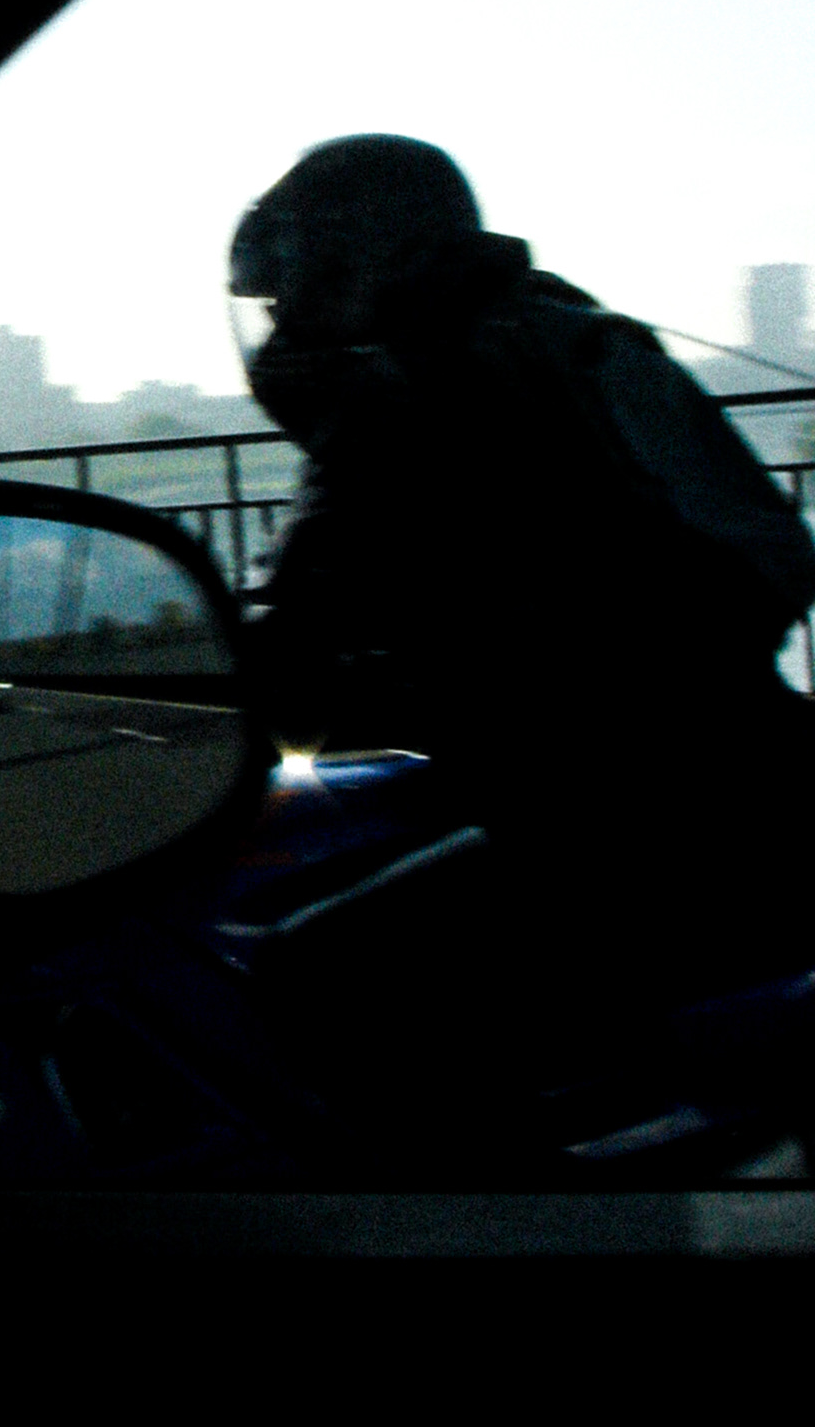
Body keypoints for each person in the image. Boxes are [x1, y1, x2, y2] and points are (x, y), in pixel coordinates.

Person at [227, 133, 815, 1020]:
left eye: (293, 295)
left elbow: (297, 635)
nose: (282, 327)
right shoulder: (552, 351)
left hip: (652, 820)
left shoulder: (439, 389)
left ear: (361, 269)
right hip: (691, 789)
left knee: (296, 982)